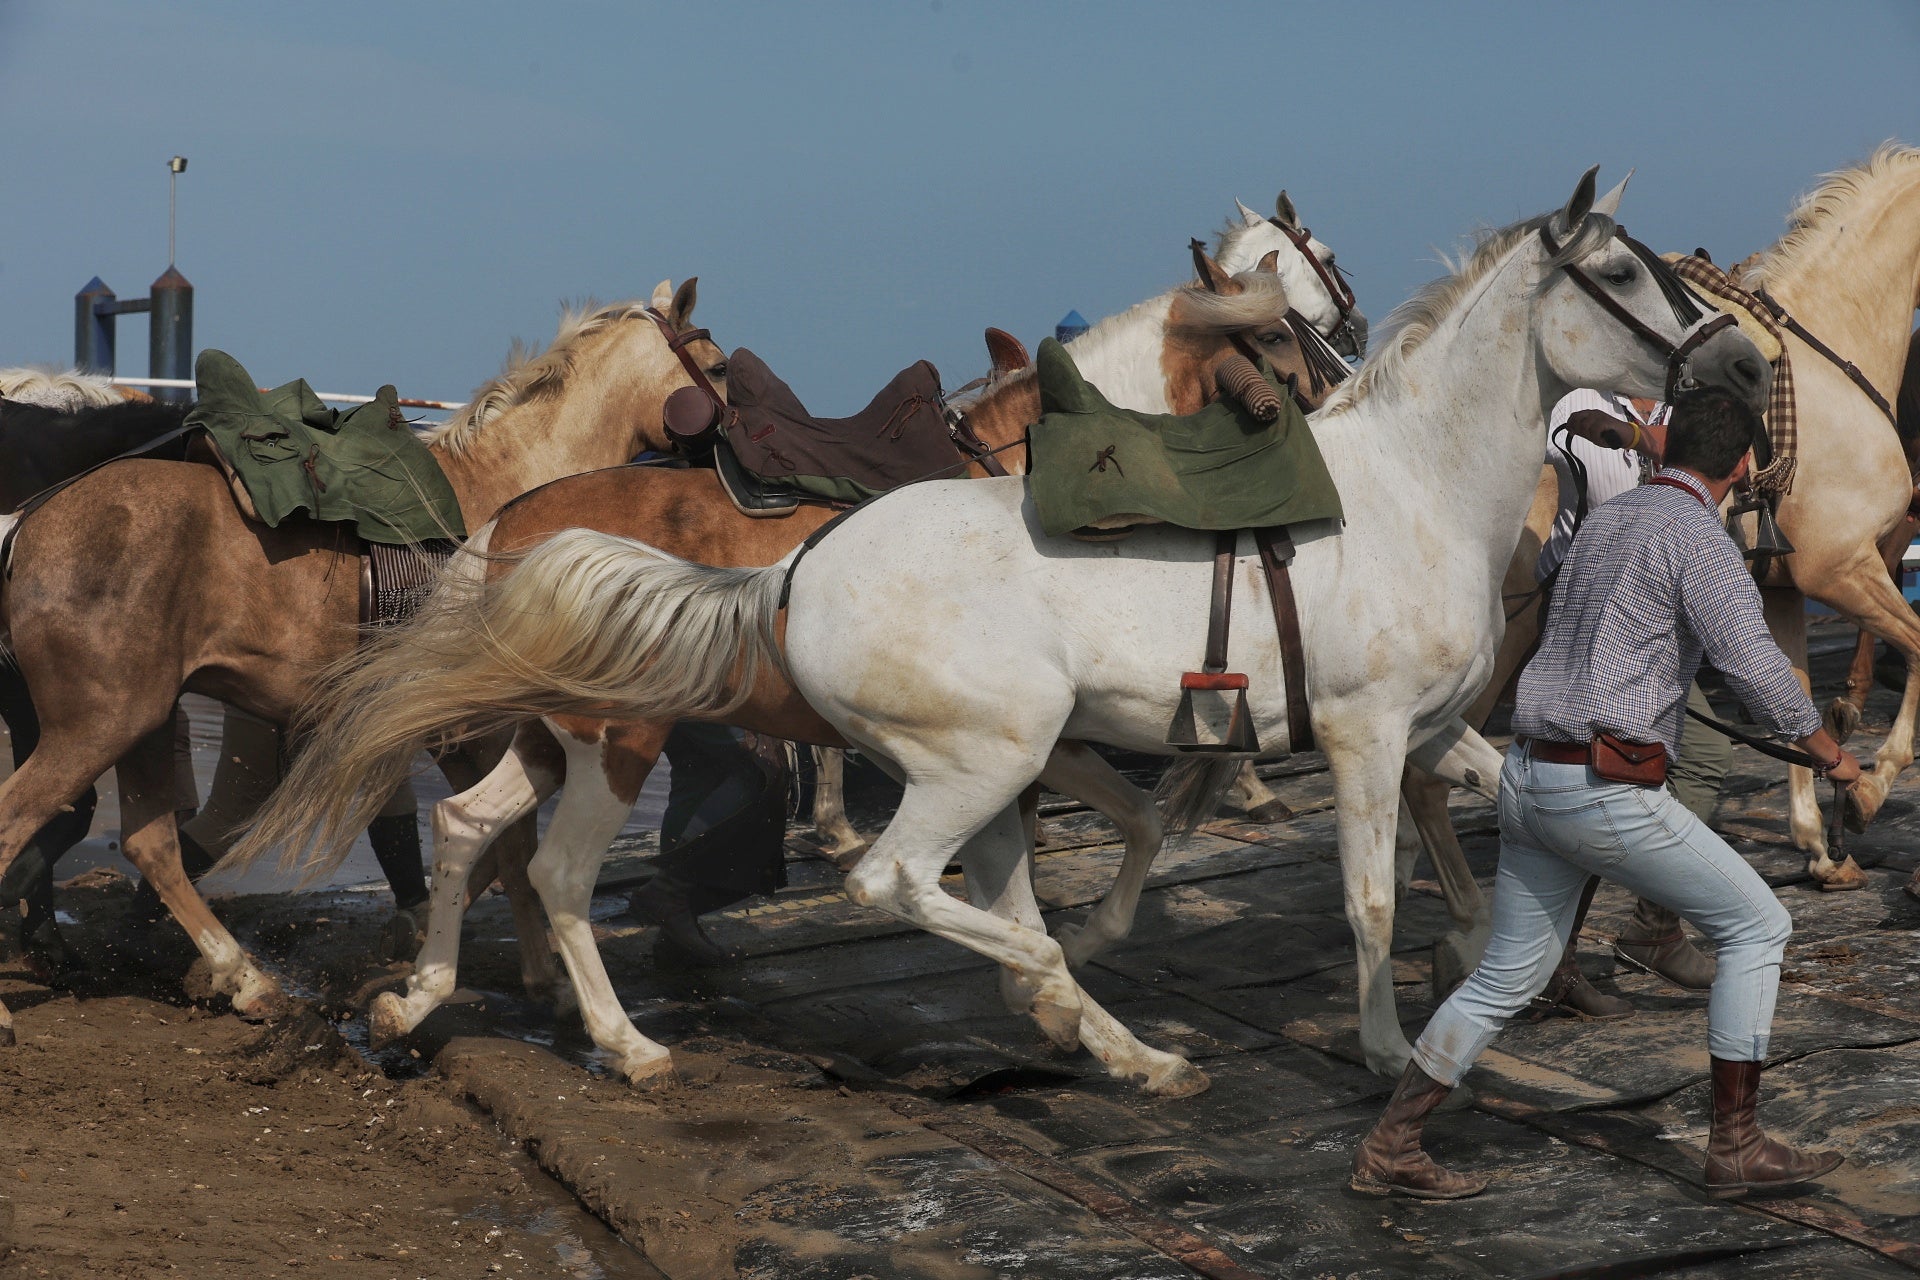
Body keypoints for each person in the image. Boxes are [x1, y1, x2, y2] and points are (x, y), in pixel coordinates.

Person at [1353, 386, 1858, 1201]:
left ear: (1664, 445)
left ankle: (1390, 1145)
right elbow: (1759, 669)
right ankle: (1736, 1146)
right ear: (1740, 465)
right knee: (1759, 924)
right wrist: (1831, 754)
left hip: (1528, 775)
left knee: (1507, 979)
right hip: (1601, 787)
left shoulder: (1604, 522)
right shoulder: (1700, 537)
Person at [1533, 391, 1728, 1019]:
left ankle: (1650, 925)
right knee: (1605, 778)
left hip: (1657, 625)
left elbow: (1730, 458)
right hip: (1587, 615)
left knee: (1697, 757)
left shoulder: (1684, 404)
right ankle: (1549, 959)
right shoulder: (1579, 401)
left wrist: (1645, 440)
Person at [623, 724, 791, 965]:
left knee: (696, 770)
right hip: (696, 689)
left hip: (672, 692)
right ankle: (669, 889)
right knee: (760, 767)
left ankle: (675, 928)